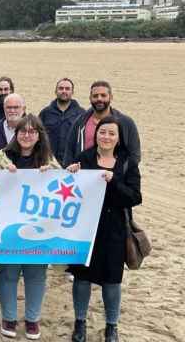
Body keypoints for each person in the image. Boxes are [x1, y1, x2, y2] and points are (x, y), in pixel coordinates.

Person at [66, 116, 142, 342]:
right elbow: (71, 192)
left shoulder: (127, 162)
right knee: (82, 277)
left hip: (115, 229)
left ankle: (112, 326)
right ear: (96, 134)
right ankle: (80, 323)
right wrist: (71, 173)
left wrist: (114, 181)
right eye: (102, 132)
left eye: (111, 133)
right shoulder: (84, 158)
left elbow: (135, 197)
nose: (106, 137)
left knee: (112, 280)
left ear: (118, 138)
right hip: (85, 228)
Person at [0, 114, 60, 341]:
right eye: (22, 131)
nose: (27, 135)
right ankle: (8, 317)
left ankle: (32, 319)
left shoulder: (48, 158)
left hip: (38, 227)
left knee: (36, 273)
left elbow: (65, 186)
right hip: (7, 227)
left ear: (39, 135)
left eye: (32, 131)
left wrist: (53, 174)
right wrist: (2, 175)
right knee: (8, 272)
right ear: (16, 134)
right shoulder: (2, 156)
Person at [63, 80, 140, 167]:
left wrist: (119, 173)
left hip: (114, 176)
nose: (99, 99)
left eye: (103, 95)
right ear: (90, 98)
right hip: (84, 175)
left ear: (111, 97)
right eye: (95, 96)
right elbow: (69, 152)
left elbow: (135, 155)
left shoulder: (126, 123)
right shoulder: (80, 122)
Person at [38, 78, 84, 164]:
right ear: (55, 91)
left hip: (73, 164)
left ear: (72, 92)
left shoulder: (81, 114)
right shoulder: (45, 113)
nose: (64, 91)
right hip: (49, 163)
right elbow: (38, 136)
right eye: (61, 88)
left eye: (67, 89)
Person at [0, 93, 26, 170]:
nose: (12, 110)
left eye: (16, 107)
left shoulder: (31, 131)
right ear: (4, 108)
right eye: (9, 107)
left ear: (23, 109)